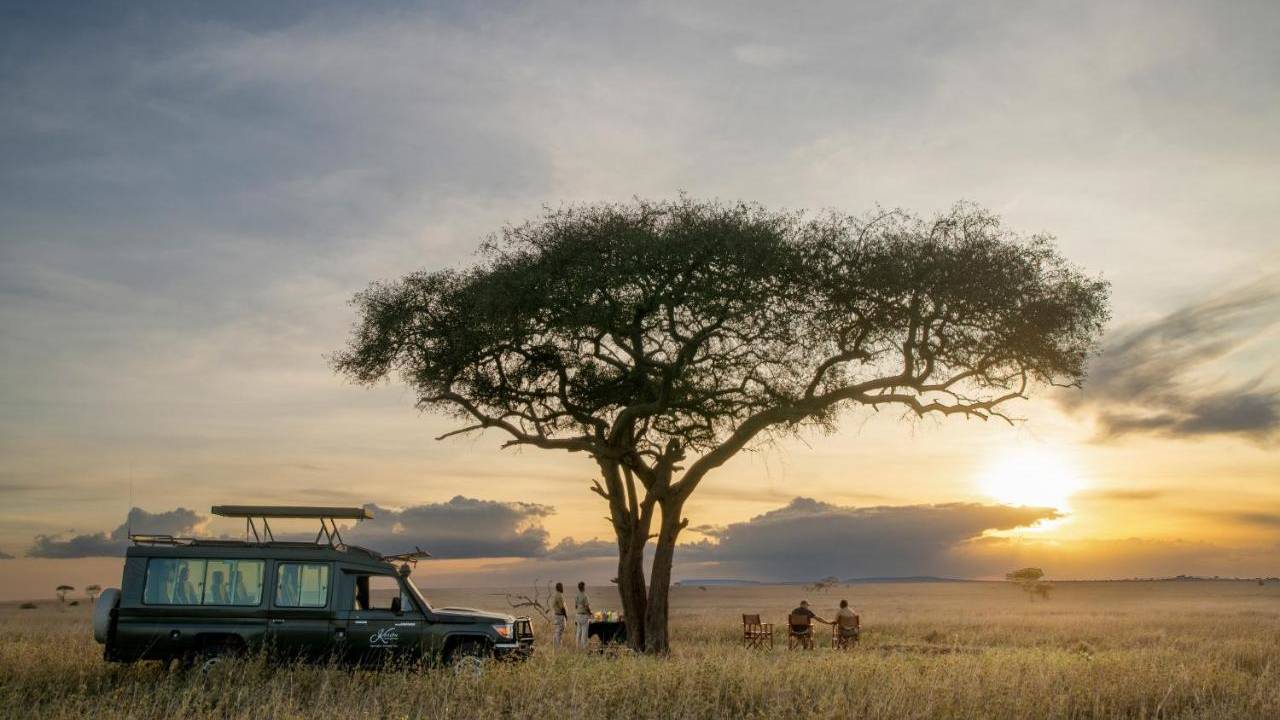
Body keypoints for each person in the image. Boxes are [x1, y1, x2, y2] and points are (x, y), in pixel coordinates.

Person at [574, 581, 592, 649]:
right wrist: (590, 613)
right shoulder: (585, 596)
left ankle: (577, 646)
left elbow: (575, 606)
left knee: (578, 632)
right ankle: (583, 648)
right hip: (584, 615)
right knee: (584, 633)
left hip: (578, 615)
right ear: (583, 587)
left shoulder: (576, 595)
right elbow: (587, 607)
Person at [551, 582, 568, 646]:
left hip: (556, 615)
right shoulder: (560, 595)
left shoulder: (556, 595)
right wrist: (566, 616)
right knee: (559, 632)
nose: (562, 588)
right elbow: (562, 608)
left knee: (557, 631)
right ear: (560, 588)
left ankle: (556, 646)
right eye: (561, 587)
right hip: (560, 616)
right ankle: (558, 646)